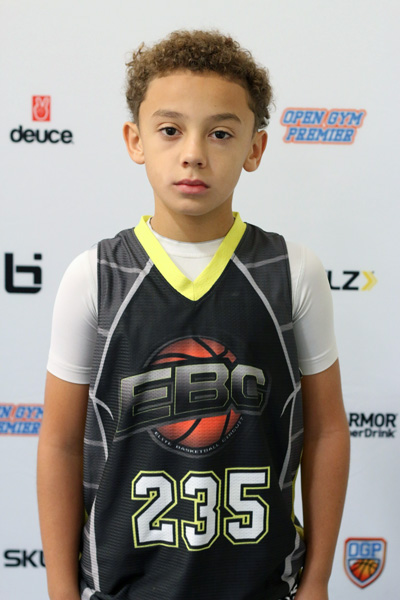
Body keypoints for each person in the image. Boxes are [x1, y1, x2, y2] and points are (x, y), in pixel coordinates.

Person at [37, 30, 350, 600]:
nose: (194, 153)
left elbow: (328, 430)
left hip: (260, 585)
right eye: (170, 130)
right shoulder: (95, 276)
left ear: (255, 148)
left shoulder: (291, 272)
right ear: (136, 140)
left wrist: (319, 578)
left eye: (221, 133)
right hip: (123, 588)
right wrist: (60, 589)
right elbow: (59, 442)